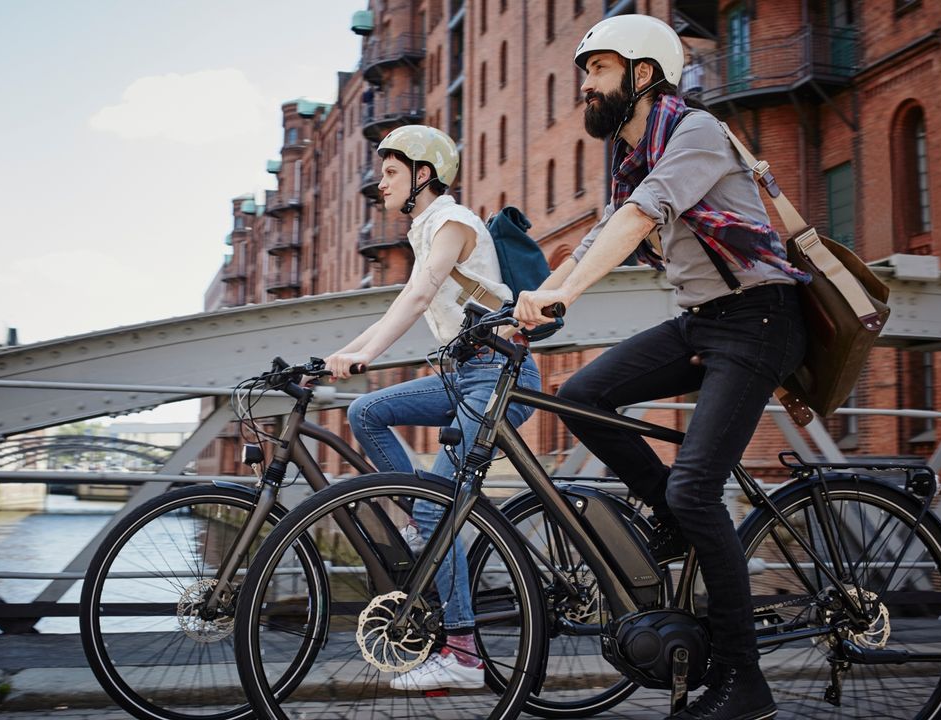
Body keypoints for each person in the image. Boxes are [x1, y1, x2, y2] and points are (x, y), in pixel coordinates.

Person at [514, 15, 808, 720]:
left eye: (600, 69)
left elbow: (641, 219)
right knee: (584, 394)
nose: (585, 84)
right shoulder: (633, 154)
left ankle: (745, 681)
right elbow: (597, 237)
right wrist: (530, 301)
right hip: (707, 321)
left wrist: (561, 295)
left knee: (699, 489)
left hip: (762, 319)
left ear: (644, 75)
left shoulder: (696, 134)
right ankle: (667, 515)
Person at [324, 124, 542, 691]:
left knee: (434, 510)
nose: (381, 184)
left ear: (425, 175)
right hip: (463, 374)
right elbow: (408, 298)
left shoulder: (452, 222)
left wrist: (366, 353)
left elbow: (417, 296)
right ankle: (424, 522)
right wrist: (342, 355)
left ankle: (465, 654)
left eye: (392, 172)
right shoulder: (427, 228)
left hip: (497, 379)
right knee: (366, 413)